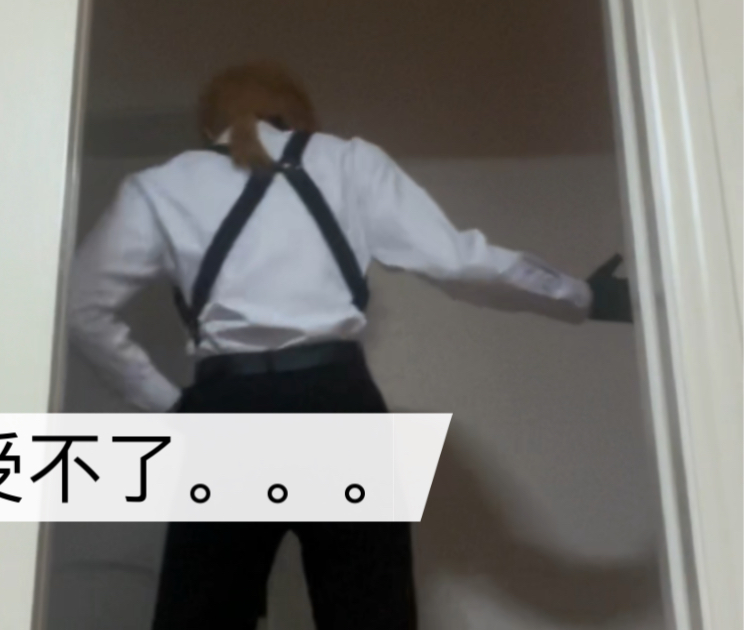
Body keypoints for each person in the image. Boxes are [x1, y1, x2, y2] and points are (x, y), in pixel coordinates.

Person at [66, 61, 632, 630]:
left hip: (228, 408)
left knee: (202, 618)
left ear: (208, 124)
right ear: (297, 114)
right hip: (336, 400)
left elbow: (82, 307)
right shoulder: (349, 162)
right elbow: (459, 263)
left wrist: (171, 407)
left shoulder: (160, 186)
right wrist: (581, 296)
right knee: (370, 616)